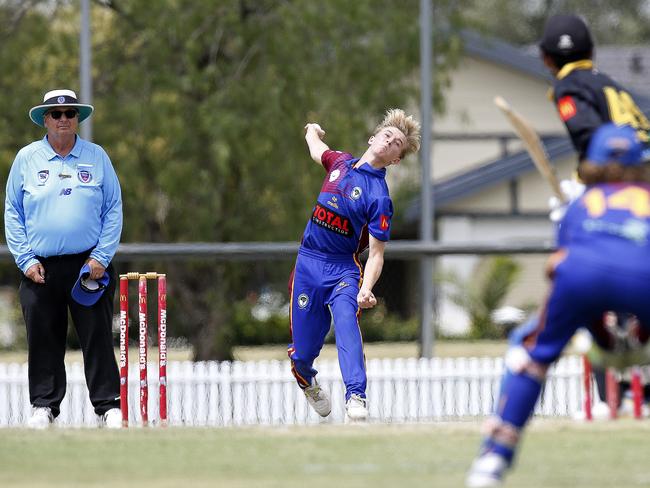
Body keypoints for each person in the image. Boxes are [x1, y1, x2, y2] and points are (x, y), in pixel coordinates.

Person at [466, 123, 650, 487]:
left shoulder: (580, 205)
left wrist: (594, 329)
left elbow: (556, 266)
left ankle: (493, 459)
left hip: (580, 274)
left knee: (529, 353)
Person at [288, 109, 420, 421]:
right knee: (303, 354)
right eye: (387, 135)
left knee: (347, 320)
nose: (389, 142)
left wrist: (367, 289)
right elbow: (317, 150)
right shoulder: (339, 163)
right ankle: (307, 380)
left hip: (342, 270)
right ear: (374, 138)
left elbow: (376, 255)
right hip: (308, 263)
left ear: (395, 159)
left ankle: (356, 395)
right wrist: (311, 130)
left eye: (396, 143)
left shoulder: (379, 197)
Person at [4, 89, 123, 429]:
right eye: (56, 114)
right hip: (39, 264)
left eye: (69, 113)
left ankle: (107, 406)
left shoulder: (96, 156)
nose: (63, 119)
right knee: (43, 337)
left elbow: (113, 208)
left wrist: (101, 256)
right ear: (45, 119)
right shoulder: (27, 159)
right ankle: (44, 406)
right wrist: (25, 259)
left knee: (97, 335)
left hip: (89, 265)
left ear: (77, 119)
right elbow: (13, 212)